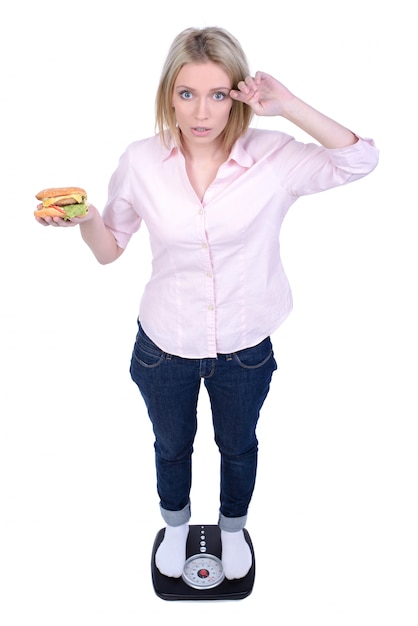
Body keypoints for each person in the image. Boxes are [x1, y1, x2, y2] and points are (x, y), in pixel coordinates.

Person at [35, 26, 379, 581]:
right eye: (187, 93)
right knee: (172, 446)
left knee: (238, 446)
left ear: (238, 94)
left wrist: (287, 105)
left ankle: (234, 528)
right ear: (168, 93)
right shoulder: (141, 160)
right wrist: (87, 220)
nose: (201, 112)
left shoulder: (274, 156)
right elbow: (109, 251)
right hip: (164, 346)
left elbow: (359, 160)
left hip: (245, 345)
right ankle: (174, 527)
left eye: (218, 94)